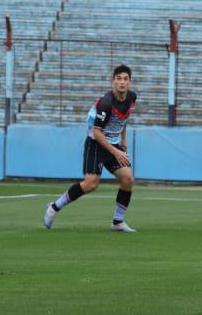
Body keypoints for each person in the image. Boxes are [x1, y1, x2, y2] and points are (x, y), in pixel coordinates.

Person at [43, 65, 138, 232]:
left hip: (113, 144)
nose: (122, 82)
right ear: (113, 80)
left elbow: (123, 119)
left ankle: (117, 222)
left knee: (128, 179)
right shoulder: (106, 103)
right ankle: (54, 207)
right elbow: (97, 132)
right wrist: (116, 151)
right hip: (96, 143)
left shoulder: (131, 98)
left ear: (130, 81)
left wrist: (123, 139)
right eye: (119, 78)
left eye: (125, 79)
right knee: (90, 184)